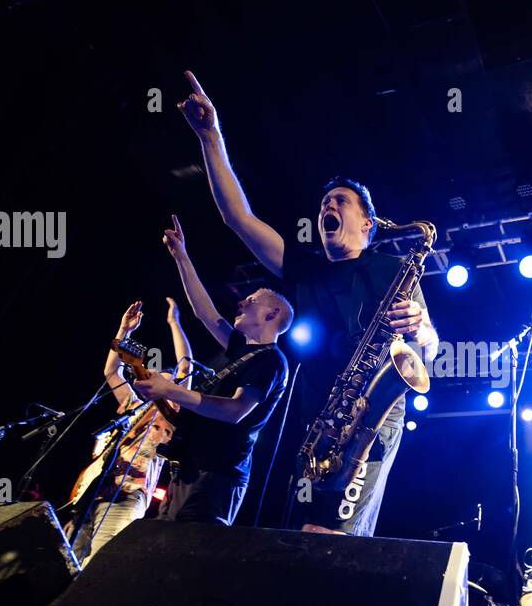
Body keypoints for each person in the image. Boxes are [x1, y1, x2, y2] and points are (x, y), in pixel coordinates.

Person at [175, 70, 438, 536]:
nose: (325, 209)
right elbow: (237, 217)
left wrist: (420, 326)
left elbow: (430, 349)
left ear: (368, 223)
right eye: (322, 206)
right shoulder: (304, 266)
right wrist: (210, 136)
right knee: (308, 541)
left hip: (371, 423)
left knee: (334, 541)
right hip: (316, 423)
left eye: (339, 201)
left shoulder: (392, 270)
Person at [130, 215, 291, 525]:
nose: (242, 302)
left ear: (272, 313)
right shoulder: (240, 350)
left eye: (252, 300)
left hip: (217, 480)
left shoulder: (271, 360)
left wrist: (172, 390)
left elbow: (235, 411)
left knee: (190, 564)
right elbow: (204, 312)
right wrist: (181, 256)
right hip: (188, 472)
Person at [68, 299, 189, 566]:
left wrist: (174, 323)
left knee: (97, 566)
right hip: (93, 491)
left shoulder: (172, 414)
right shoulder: (134, 406)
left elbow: (185, 368)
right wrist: (125, 332)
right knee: (66, 564)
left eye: (163, 379)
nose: (154, 377)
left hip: (127, 495)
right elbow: (111, 371)